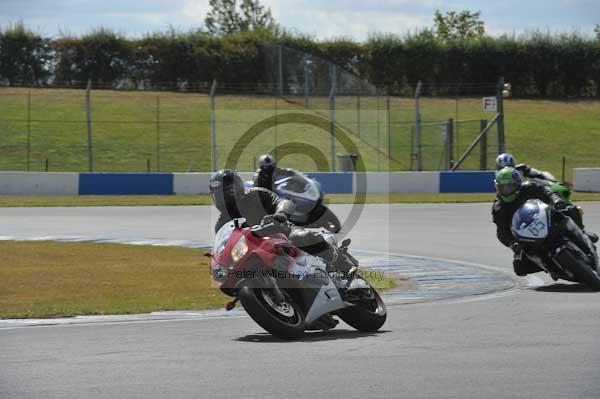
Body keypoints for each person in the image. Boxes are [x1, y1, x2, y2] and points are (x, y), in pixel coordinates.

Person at [492, 166, 597, 277]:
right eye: (501, 188)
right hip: (526, 235)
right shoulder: (499, 207)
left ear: (517, 184)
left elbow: (546, 191)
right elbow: (501, 232)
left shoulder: (528, 187)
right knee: (520, 268)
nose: (505, 191)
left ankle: (582, 233)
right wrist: (512, 244)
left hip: (545, 218)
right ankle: (552, 267)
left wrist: (556, 200)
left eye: (508, 187)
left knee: (571, 210)